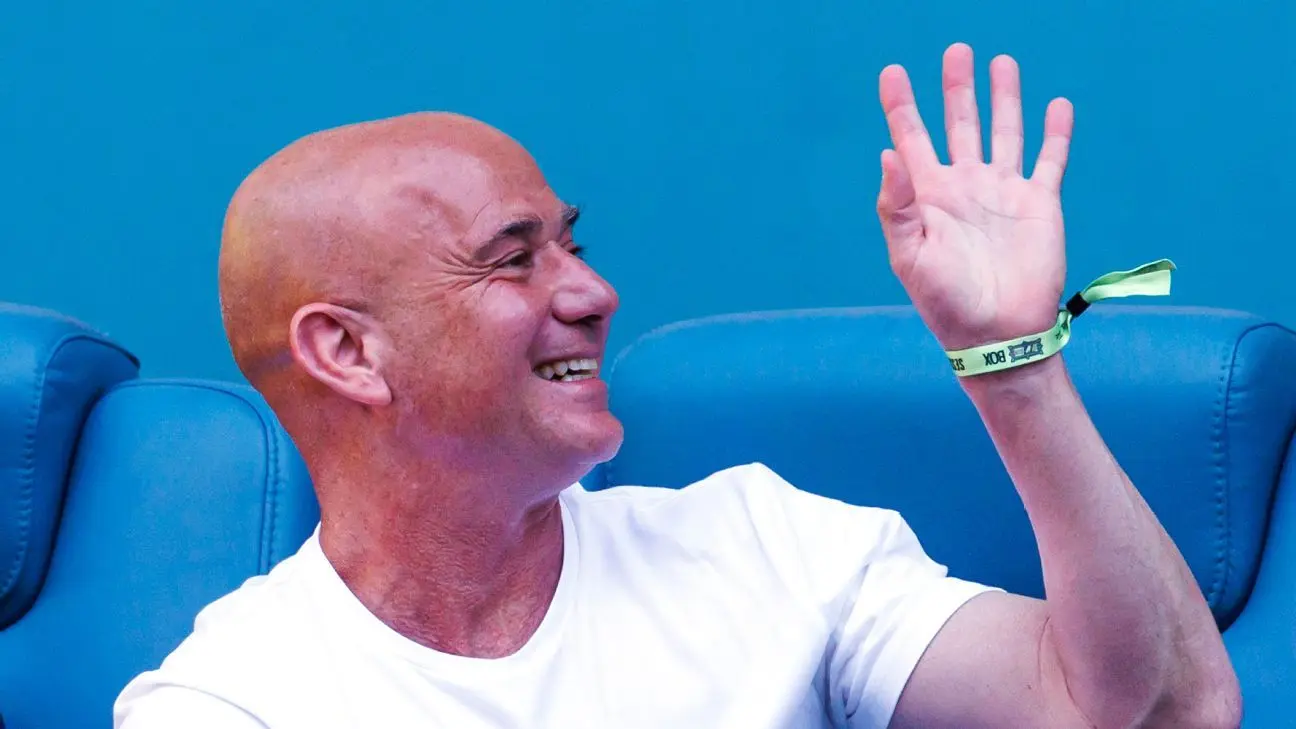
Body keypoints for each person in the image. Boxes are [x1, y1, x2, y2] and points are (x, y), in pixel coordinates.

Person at [113, 43, 1241, 728]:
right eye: (513, 258)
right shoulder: (230, 701)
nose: (594, 293)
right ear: (348, 354)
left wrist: (1014, 360)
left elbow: (1164, 713)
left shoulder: (762, 549)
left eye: (573, 243)